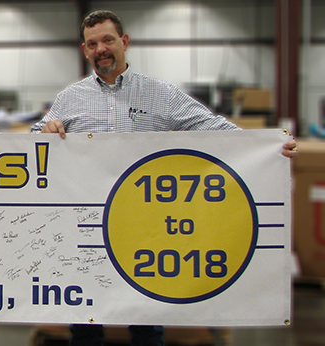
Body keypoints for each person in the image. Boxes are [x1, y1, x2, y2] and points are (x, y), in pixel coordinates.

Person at [31, 9, 296, 346]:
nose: (101, 49)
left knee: (145, 319)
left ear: (124, 42)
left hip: (145, 226)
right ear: (85, 50)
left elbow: (208, 125)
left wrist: (267, 146)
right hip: (87, 226)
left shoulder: (160, 93)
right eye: (92, 43)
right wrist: (46, 130)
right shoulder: (70, 98)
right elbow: (36, 137)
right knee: (86, 319)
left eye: (108, 40)